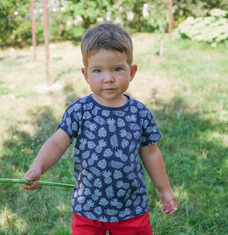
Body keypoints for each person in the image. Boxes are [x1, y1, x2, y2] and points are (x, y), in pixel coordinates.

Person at [21, 23, 178, 235]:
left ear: (132, 72)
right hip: (88, 209)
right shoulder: (79, 110)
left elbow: (151, 153)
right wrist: (38, 166)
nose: (108, 78)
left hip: (131, 209)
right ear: (86, 75)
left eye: (117, 69)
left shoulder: (139, 113)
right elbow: (57, 143)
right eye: (98, 70)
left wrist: (164, 190)